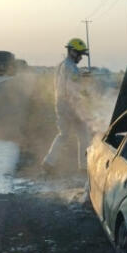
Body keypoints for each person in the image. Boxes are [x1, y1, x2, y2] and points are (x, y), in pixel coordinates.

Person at [42, 38, 91, 173]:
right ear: (73, 52)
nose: (81, 57)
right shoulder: (71, 68)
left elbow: (65, 83)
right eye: (80, 54)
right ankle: (84, 167)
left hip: (60, 103)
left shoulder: (61, 65)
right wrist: (85, 94)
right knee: (83, 135)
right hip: (71, 105)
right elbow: (74, 88)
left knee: (63, 135)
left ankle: (48, 163)